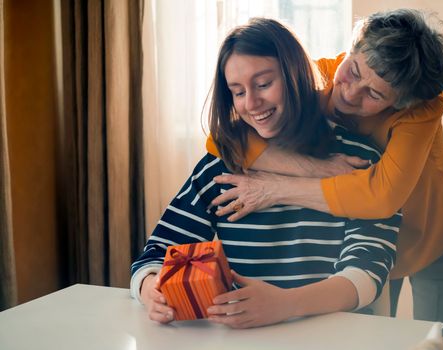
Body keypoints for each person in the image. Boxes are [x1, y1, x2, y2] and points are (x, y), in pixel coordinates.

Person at [207, 9, 443, 350]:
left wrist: (275, 189)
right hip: (375, 234)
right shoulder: (318, 75)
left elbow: (381, 197)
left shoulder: (420, 112)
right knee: (375, 339)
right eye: (353, 71)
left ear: (402, 102)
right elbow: (223, 138)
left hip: (441, 231)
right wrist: (318, 169)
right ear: (351, 49)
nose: (351, 94)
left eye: (375, 95)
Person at [131, 17, 399, 329]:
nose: (251, 103)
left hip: (332, 334)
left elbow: (368, 272)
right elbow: (157, 253)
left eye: (263, 84)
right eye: (237, 91)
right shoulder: (222, 162)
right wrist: (152, 290)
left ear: (295, 75)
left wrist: (286, 304)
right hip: (243, 335)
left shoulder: (359, 160)